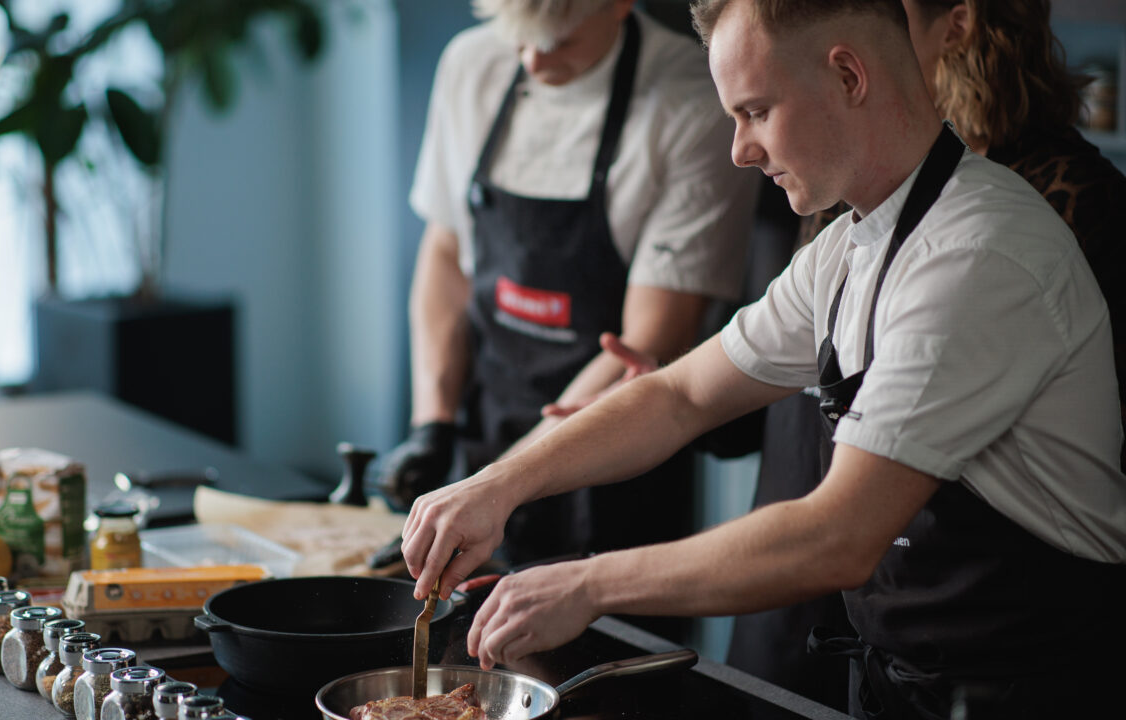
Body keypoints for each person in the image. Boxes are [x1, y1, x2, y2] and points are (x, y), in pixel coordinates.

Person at [400, 1, 1126, 718]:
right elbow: (681, 396)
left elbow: (839, 536)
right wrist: (496, 486)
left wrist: (587, 585)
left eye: (755, 111)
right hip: (906, 685)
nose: (739, 151)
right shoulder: (849, 247)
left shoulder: (975, 256)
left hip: (1024, 693)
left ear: (848, 75)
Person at [726, 0, 1126, 708]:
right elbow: (735, 375)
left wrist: (590, 584)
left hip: (980, 633)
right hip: (833, 581)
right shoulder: (848, 180)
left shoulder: (1031, 216)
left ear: (960, 22)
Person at [382, 0, 759, 566]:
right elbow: (446, 251)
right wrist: (432, 424)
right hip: (487, 423)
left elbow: (649, 340)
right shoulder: (470, 64)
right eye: (517, 38)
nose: (532, 62)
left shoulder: (690, 100)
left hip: (614, 461)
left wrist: (498, 485)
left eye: (558, 41)